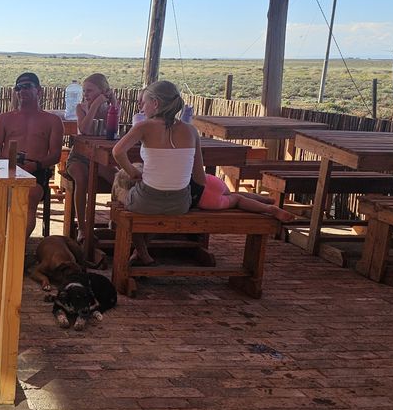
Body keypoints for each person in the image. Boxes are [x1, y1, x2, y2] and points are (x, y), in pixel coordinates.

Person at [112, 80, 205, 266]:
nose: (141, 107)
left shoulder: (144, 127)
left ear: (155, 103)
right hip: (180, 203)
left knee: (119, 190)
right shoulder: (191, 130)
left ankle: (141, 252)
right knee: (156, 206)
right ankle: (141, 253)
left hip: (146, 201)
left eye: (144, 102)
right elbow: (199, 178)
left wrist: (132, 172)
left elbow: (117, 152)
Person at [0, 72, 65, 238]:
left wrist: (35, 165)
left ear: (38, 90)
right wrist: (8, 165)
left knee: (29, 197)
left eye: (27, 86)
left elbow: (55, 155)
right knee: (0, 197)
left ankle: (17, 245)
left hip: (36, 170)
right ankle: (1, 242)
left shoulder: (52, 121)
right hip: (7, 168)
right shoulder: (4, 119)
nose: (22, 91)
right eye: (18, 87)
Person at [64, 73, 120, 242]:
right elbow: (85, 129)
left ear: (103, 91)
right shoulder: (81, 108)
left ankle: (116, 220)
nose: (85, 94)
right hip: (79, 156)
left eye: (89, 90)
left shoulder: (111, 108)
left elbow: (113, 130)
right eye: (84, 91)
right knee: (81, 179)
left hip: (100, 156)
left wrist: (112, 103)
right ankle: (82, 228)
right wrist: (95, 104)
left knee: (117, 178)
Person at [197, 173, 295, 221]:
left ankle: (268, 209)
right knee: (232, 194)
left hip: (205, 199)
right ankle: (264, 199)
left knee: (238, 200)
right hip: (209, 181)